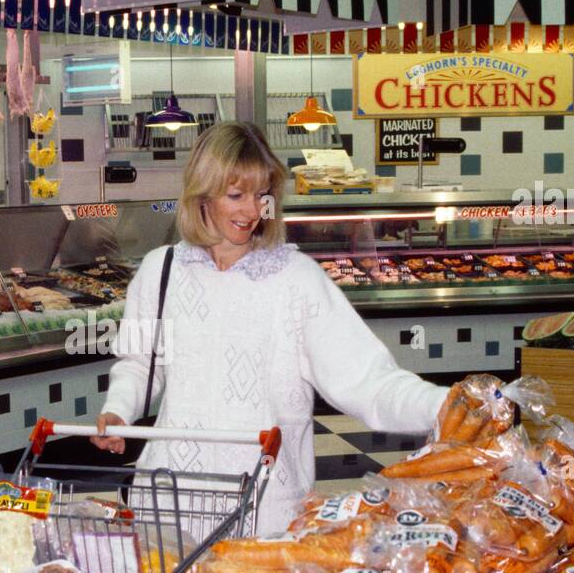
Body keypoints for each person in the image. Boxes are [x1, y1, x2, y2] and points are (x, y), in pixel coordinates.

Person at [91, 121, 448, 536]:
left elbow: (367, 381)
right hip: (169, 502)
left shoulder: (296, 278)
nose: (250, 211)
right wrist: (118, 409)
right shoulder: (161, 269)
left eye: (262, 195)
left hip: (264, 512)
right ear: (201, 193)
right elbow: (138, 362)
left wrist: (445, 404)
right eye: (235, 195)